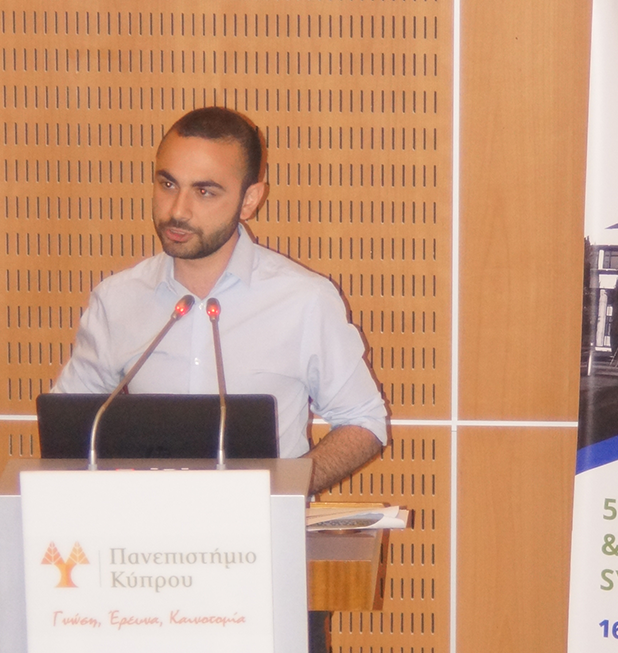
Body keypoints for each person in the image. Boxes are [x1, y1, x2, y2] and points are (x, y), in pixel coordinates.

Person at [53, 107, 388, 494]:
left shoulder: (303, 300)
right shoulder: (117, 300)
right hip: (145, 526)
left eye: (204, 191)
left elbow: (364, 421)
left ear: (249, 200)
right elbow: (68, 427)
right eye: (168, 184)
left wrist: (284, 489)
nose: (177, 210)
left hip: (262, 526)